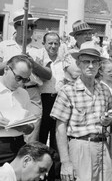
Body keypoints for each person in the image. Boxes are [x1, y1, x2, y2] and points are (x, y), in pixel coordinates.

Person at [50, 41, 112, 181]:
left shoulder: (105, 90)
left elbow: (110, 120)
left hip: (103, 147)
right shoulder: (67, 91)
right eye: (86, 61)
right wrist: (65, 162)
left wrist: (107, 121)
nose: (90, 66)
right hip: (79, 146)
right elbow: (60, 129)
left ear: (99, 65)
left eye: (94, 62)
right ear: (78, 64)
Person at [0, 10, 52, 143]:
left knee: (30, 134)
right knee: (7, 130)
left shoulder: (39, 48)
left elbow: (48, 75)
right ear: (16, 27)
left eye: (32, 26)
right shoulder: (4, 46)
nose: (30, 29)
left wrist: (33, 64)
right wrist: (13, 61)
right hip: (8, 93)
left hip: (31, 93)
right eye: (26, 25)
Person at [36, 32, 66, 180]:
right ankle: (38, 173)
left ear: (60, 44)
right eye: (50, 43)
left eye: (56, 43)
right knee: (40, 138)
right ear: (44, 44)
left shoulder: (63, 62)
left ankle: (55, 175)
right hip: (43, 100)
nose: (53, 46)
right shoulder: (39, 60)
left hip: (59, 101)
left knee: (57, 139)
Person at [0, 55, 36, 165]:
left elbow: (31, 127)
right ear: (6, 69)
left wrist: (25, 127)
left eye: (26, 80)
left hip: (18, 146)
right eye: (18, 78)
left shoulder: (23, 93)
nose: (21, 83)